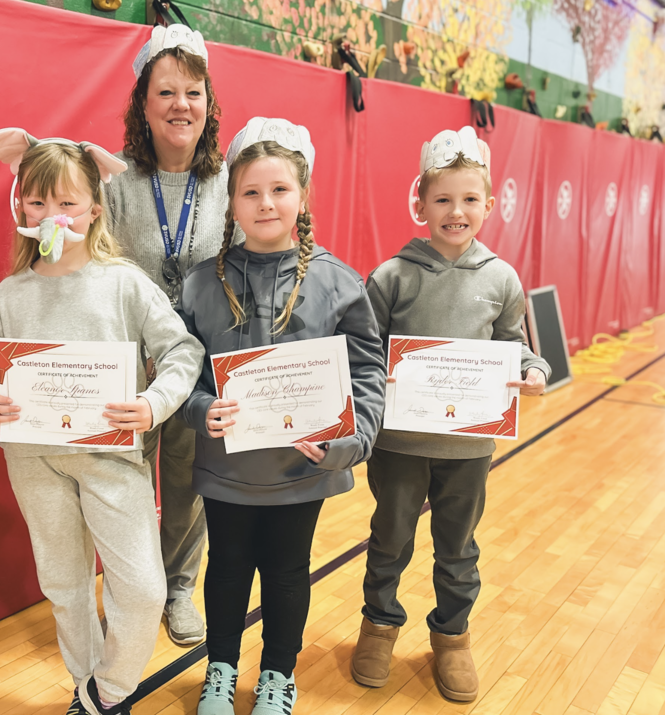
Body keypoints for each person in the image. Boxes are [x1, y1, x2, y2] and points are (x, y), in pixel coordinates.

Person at [0, 128, 204, 715]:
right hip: (33, 462)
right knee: (65, 585)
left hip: (111, 459)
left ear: (94, 210)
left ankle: (108, 689)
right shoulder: (11, 293)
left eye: (68, 202)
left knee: (144, 588)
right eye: (39, 201)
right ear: (20, 206)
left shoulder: (124, 284)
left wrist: (152, 403)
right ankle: (86, 686)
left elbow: (183, 353)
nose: (54, 215)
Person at [176, 118, 387, 715]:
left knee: (289, 571)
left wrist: (349, 441)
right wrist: (199, 408)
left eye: (280, 190)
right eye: (251, 192)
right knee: (227, 567)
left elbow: (368, 376)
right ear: (232, 201)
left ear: (302, 194)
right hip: (228, 470)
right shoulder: (199, 286)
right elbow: (181, 374)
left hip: (304, 470)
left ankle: (277, 675)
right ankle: (220, 668)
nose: (266, 204)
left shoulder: (340, 284)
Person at [351, 126, 550, 702]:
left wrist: (534, 373)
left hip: (468, 449)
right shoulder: (391, 276)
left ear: (489, 205)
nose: (455, 211)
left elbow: (517, 346)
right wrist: (375, 374)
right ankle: (379, 626)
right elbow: (364, 350)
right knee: (389, 539)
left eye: (468, 200)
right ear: (421, 202)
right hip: (400, 445)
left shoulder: (502, 279)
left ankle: (452, 636)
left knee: (458, 547)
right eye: (442, 199)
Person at [105, 23, 235, 646]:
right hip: (130, 364)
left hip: (201, 367)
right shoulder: (115, 184)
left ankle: (179, 588)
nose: (181, 105)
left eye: (194, 92)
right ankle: (132, 587)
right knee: (124, 478)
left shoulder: (230, 184)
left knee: (187, 481)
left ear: (208, 105)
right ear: (143, 103)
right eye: (167, 92)